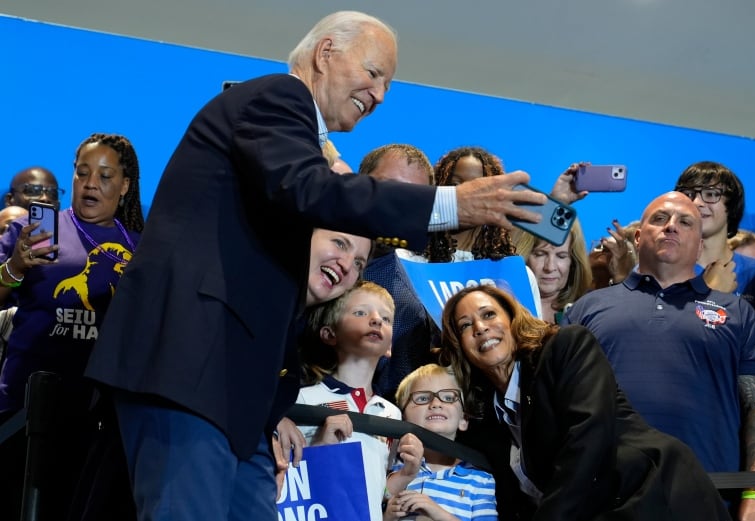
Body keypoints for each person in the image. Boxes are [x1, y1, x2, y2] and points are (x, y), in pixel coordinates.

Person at [83, 11, 549, 521]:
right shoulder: (276, 97)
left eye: (388, 84)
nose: (380, 94)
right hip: (190, 367)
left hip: (239, 399)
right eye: (374, 73)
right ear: (326, 52)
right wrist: (450, 206)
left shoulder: (297, 139)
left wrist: (270, 408)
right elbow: (310, 191)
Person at [564, 191, 755, 520]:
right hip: (603, 500)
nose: (671, 227)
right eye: (659, 219)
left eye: (685, 222)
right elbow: (561, 402)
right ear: (638, 237)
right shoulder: (588, 307)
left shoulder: (737, 313)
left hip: (709, 497)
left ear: (699, 243)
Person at [439, 284, 731, 520]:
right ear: (460, 346)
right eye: (465, 326)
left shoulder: (565, 347)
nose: (480, 327)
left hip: (651, 495)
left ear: (513, 319)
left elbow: (588, 436)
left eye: (489, 314)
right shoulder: (488, 415)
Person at [0, 132, 144, 521]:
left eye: (104, 175)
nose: (90, 184)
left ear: (125, 185)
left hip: (99, 422)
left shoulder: (141, 247)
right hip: (23, 415)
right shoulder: (39, 229)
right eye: (82, 174)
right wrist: (14, 267)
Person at [295, 280, 405, 521]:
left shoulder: (393, 415)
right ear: (329, 334)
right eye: (360, 312)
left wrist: (407, 473)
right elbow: (291, 482)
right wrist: (318, 450)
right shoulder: (304, 399)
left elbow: (379, 490)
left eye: (386, 319)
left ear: (390, 348)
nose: (376, 319)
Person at [359, 144, 439, 400]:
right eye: (387, 188)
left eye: (412, 198)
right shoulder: (296, 250)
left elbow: (394, 406)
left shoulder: (406, 309)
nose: (397, 206)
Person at [384, 363, 498, 521]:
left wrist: (437, 512)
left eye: (448, 398)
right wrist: (386, 517)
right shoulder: (391, 468)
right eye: (422, 398)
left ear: (463, 420)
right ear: (403, 418)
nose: (436, 404)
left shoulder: (479, 480)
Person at [675, 160, 755, 315]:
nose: (696, 203)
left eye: (710, 194)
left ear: (731, 207)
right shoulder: (660, 268)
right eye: (688, 195)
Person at [515, 218, 592, 324]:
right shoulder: (505, 307)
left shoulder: (587, 311)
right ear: (525, 256)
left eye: (561, 256)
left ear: (573, 263)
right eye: (540, 254)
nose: (550, 267)